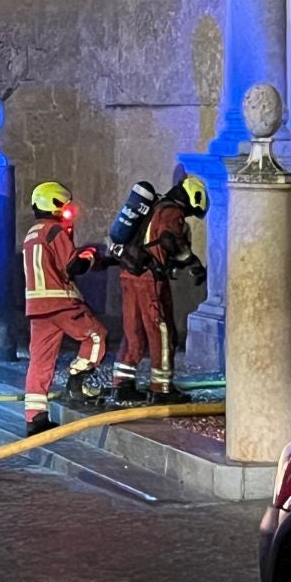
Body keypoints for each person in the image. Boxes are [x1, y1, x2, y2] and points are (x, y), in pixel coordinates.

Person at [109, 172, 208, 405]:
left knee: (133, 332)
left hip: (129, 273)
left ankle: (122, 385)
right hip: (149, 279)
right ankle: (162, 389)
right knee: (162, 332)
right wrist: (191, 263)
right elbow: (169, 241)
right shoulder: (172, 212)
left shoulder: (155, 207)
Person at [21, 181, 107, 436]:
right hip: (60, 301)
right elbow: (72, 267)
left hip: (37, 307)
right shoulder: (54, 231)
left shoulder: (31, 233)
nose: (68, 210)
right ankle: (76, 380)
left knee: (40, 360)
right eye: (65, 205)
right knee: (96, 335)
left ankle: (35, 418)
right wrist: (91, 255)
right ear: (55, 203)